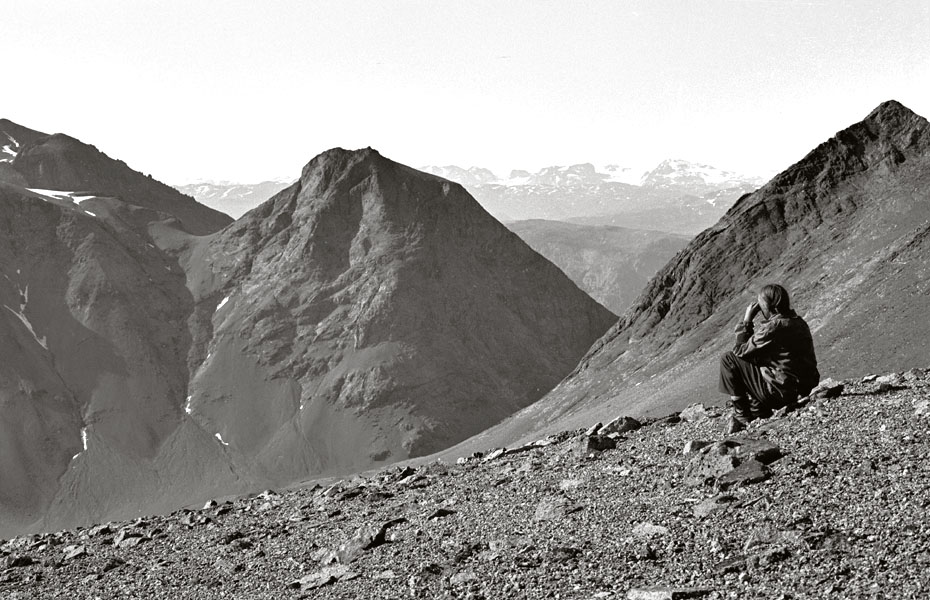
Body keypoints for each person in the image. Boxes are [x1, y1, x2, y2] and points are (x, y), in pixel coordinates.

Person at [719, 283, 819, 434]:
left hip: (781, 394)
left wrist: (747, 320)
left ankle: (742, 415)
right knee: (759, 360)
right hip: (805, 387)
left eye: (761, 304)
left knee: (729, 359)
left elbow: (740, 350)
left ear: (768, 306)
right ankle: (758, 409)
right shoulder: (798, 322)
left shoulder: (773, 327)